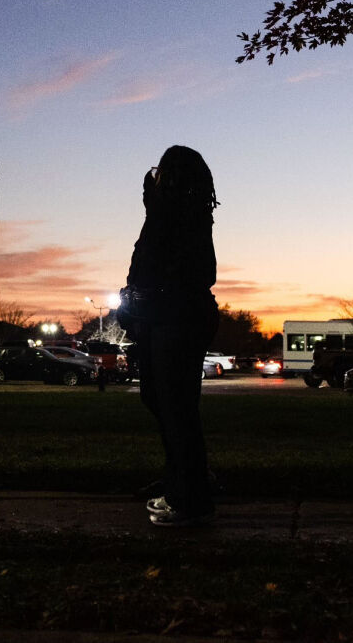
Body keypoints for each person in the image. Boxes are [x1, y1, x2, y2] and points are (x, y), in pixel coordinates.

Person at [120, 146, 223, 527]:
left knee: (176, 407)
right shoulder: (171, 211)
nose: (155, 177)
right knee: (161, 399)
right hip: (162, 317)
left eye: (161, 171)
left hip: (176, 317)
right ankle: (183, 478)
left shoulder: (180, 213)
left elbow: (169, 266)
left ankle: (191, 496)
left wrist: (139, 297)